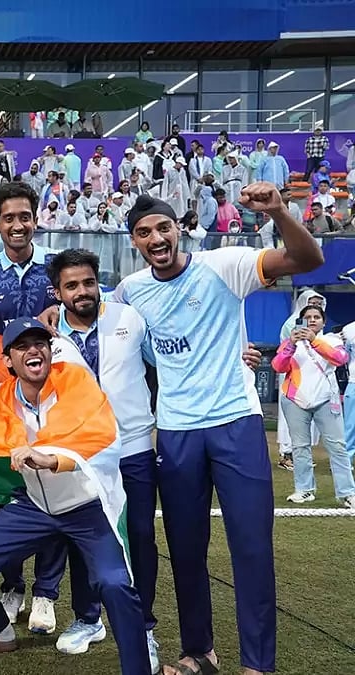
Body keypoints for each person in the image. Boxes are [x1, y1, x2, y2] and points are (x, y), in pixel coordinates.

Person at [106, 189, 323, 675]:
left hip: (235, 423)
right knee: (185, 551)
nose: (156, 238)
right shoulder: (130, 289)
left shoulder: (225, 264)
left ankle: (257, 665)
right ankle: (199, 652)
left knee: (250, 547)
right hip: (178, 433)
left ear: (177, 228)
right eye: (144, 233)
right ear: (135, 241)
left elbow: (309, 258)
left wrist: (276, 212)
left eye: (163, 228)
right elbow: (104, 323)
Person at [0, 319, 150, 675]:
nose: (34, 349)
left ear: (50, 351)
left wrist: (51, 459)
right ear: (7, 360)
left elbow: (105, 441)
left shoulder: (77, 383)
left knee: (114, 583)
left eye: (41, 342)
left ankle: (138, 668)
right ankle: (1, 634)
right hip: (36, 507)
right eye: (22, 346)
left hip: (89, 507)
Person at [45, 249, 162, 671]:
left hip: (132, 449)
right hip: (83, 456)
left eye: (88, 282)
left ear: (99, 283)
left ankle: (143, 628)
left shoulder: (129, 319)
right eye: (71, 286)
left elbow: (164, 362)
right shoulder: (48, 338)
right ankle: (88, 618)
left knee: (140, 536)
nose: (82, 292)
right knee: (84, 538)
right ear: (56, 292)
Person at [0, 181, 64, 634]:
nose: (18, 225)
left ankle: (46, 592)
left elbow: (97, 305)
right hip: (2, 406)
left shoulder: (57, 270)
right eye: (9, 218)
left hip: (55, 404)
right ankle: (12, 585)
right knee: (7, 496)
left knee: (54, 495)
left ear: (35, 219)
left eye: (25, 216)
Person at [272, 305, 355, 507]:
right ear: (300, 321)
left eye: (316, 317)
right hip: (294, 400)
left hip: (326, 398)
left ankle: (347, 493)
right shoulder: (289, 343)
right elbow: (278, 366)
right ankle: (304, 490)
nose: (312, 320)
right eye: (307, 317)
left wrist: (313, 340)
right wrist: (292, 344)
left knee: (337, 446)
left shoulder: (332, 340)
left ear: (323, 322)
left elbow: (340, 359)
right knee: (300, 446)